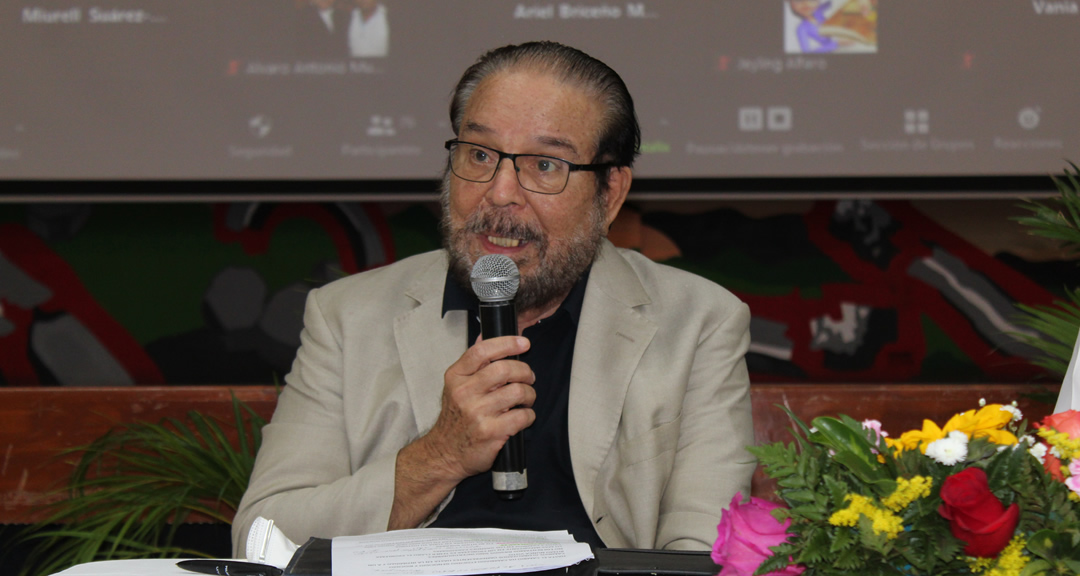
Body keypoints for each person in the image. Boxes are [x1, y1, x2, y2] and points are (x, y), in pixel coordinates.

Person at [232, 41, 754, 555]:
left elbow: (702, 552)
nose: (500, 192)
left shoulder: (699, 322)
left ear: (611, 193)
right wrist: (439, 455)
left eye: (546, 165)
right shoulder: (346, 316)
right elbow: (263, 538)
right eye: (479, 155)